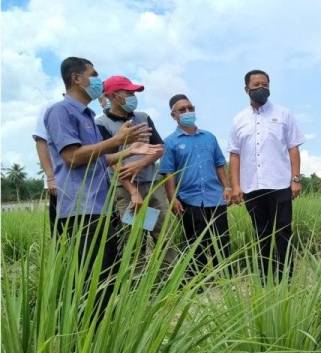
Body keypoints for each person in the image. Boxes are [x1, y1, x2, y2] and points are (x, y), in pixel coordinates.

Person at [44, 56, 159, 311]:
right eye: (94, 75)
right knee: (87, 282)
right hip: (80, 208)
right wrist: (118, 139)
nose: (98, 81)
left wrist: (129, 151)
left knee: (105, 278)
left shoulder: (87, 115)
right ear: (76, 78)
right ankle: (81, 340)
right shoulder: (60, 111)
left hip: (101, 206)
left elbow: (99, 159)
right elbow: (72, 157)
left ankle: (100, 338)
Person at [228, 69, 304, 281]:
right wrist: (235, 186)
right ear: (246, 89)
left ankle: (285, 280)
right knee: (260, 234)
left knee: (282, 232)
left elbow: (293, 148)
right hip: (251, 186)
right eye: (256, 85)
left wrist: (295, 179)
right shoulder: (238, 120)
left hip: (280, 184)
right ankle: (265, 279)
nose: (261, 88)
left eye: (265, 84)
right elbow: (234, 155)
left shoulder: (283, 114)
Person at [95, 75, 176, 263]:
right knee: (133, 238)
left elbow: (160, 148)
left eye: (134, 92)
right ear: (113, 96)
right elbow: (110, 160)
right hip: (125, 189)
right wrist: (133, 192)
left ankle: (169, 278)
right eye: (128, 92)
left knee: (164, 234)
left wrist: (140, 164)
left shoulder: (143, 117)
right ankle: (136, 283)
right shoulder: (101, 123)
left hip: (153, 184)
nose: (133, 96)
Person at [160, 94, 231, 274]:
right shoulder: (169, 142)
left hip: (215, 197)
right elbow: (168, 173)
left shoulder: (209, 137)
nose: (187, 112)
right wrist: (172, 198)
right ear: (173, 115)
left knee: (221, 239)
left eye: (190, 108)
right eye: (182, 110)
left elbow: (220, 164)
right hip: (189, 200)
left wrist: (227, 187)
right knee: (194, 242)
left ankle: (225, 277)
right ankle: (196, 282)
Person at [33, 104, 58, 233]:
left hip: (84, 184)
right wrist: (51, 177)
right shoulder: (50, 108)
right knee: (61, 231)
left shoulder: (88, 113)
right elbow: (40, 141)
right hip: (59, 183)